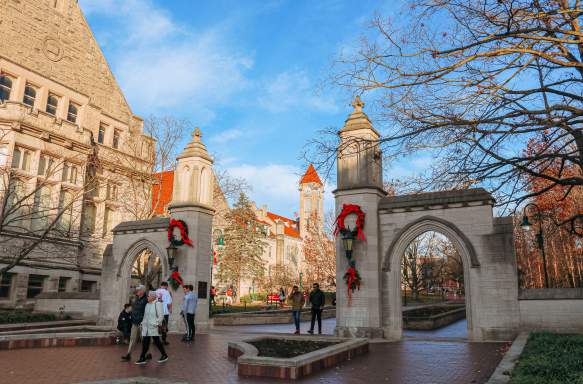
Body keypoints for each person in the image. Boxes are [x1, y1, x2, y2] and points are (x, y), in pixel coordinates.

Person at [135, 291, 168, 365]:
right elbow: (145, 316)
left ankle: (164, 355)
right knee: (145, 342)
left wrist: (155, 323)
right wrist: (142, 323)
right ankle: (142, 357)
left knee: (157, 342)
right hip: (146, 327)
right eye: (147, 296)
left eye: (148, 296)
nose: (147, 297)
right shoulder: (147, 305)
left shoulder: (158, 304)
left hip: (153, 327)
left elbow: (161, 316)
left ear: (153, 297)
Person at [121, 285, 147, 362]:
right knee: (132, 339)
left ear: (142, 291)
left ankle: (146, 354)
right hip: (135, 322)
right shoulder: (136, 299)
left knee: (144, 340)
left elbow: (148, 311)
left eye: (138, 290)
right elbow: (133, 308)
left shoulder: (146, 300)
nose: (137, 291)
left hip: (142, 323)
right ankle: (128, 354)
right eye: (137, 290)